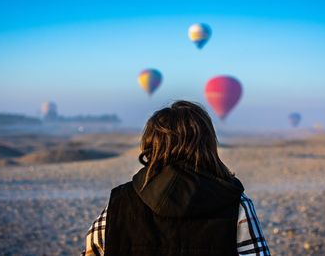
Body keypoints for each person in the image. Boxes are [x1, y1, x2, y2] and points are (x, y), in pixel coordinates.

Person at [81, 101, 270, 256]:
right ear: (208, 145)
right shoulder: (236, 202)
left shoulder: (120, 201)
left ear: (151, 145)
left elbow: (92, 251)